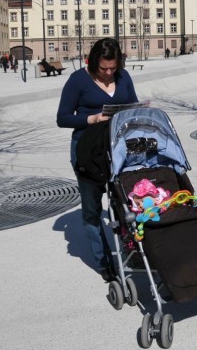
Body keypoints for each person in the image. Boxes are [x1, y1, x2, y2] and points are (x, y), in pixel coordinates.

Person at [56, 38, 138, 282]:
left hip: (118, 147)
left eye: (113, 67)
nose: (109, 72)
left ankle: (131, 253)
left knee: (126, 203)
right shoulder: (78, 80)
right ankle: (104, 263)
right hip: (87, 149)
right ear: (93, 62)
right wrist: (91, 119)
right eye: (104, 68)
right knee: (92, 209)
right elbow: (62, 118)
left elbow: (132, 104)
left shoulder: (123, 77)